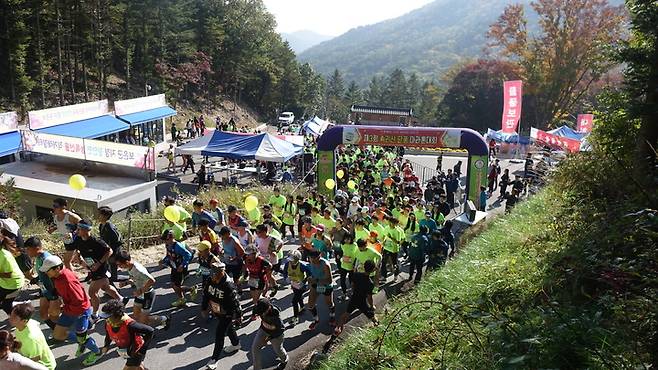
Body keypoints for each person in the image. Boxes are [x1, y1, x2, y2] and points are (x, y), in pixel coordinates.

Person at [40, 255, 103, 366]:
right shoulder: (57, 276)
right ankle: (81, 340)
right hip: (69, 310)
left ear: (57, 268)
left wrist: (61, 309)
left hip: (80, 311)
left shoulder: (67, 281)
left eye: (47, 271)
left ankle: (97, 352)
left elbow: (79, 301)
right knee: (58, 335)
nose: (46, 273)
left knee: (82, 338)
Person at [71, 218, 123, 320]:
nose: (77, 231)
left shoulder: (96, 241)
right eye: (77, 228)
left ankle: (95, 314)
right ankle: (120, 299)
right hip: (91, 266)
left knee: (92, 292)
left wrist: (99, 263)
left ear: (87, 230)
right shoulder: (78, 239)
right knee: (105, 287)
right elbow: (77, 249)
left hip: (100, 268)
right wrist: (77, 256)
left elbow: (109, 251)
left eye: (80, 229)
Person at [115, 251, 170, 329]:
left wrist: (141, 290)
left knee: (142, 320)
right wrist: (126, 283)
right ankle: (163, 319)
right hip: (140, 295)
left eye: (119, 264)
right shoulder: (130, 267)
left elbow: (152, 280)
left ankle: (149, 332)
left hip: (148, 294)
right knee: (137, 316)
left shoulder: (138, 269)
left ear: (127, 262)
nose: (119, 267)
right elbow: (136, 278)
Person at [203, 261, 242, 369]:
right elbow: (206, 294)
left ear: (221, 273)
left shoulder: (228, 285)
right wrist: (204, 308)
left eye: (215, 274)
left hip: (227, 313)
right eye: (212, 273)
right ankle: (236, 344)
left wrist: (238, 316)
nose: (212, 276)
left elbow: (235, 302)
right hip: (217, 311)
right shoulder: (210, 280)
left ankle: (214, 359)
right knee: (228, 328)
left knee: (219, 333)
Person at [99, 299, 154, 370]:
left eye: (109, 316)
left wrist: (142, 351)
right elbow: (108, 334)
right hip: (126, 351)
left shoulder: (130, 325)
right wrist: (106, 345)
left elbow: (150, 331)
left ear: (117, 315)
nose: (106, 318)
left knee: (128, 368)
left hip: (136, 351)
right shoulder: (109, 322)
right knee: (138, 366)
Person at [333, 260, 379, 336]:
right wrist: (371, 306)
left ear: (364, 267)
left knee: (345, 315)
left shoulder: (356, 275)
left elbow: (352, 285)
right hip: (362, 302)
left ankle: (337, 329)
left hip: (354, 299)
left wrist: (353, 292)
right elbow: (369, 297)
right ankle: (377, 326)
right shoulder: (370, 283)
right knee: (372, 316)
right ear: (373, 270)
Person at [24, 237, 60, 330]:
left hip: (53, 292)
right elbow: (42, 272)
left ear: (36, 248)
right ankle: (56, 330)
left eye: (28, 249)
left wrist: (56, 291)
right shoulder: (38, 257)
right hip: (44, 289)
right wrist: (36, 279)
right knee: (43, 314)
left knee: (54, 315)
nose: (27, 252)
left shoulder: (46, 258)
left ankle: (60, 334)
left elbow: (56, 275)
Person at [8, 303, 56, 370]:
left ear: (24, 321)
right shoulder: (27, 323)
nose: (10, 318)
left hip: (43, 366)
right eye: (11, 314)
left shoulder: (31, 339)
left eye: (14, 317)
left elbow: (36, 358)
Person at [160, 229, 195, 307]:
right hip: (174, 267)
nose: (165, 241)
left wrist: (183, 265)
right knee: (173, 285)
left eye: (166, 240)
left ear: (171, 238)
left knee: (176, 286)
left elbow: (188, 255)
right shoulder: (168, 245)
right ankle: (182, 298)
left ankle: (190, 290)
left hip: (180, 268)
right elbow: (168, 255)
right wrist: (163, 261)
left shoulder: (177, 246)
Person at [251, 298, 288, 370]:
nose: (262, 314)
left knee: (278, 350)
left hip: (276, 334)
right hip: (263, 329)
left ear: (269, 307)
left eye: (263, 312)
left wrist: (268, 339)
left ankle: (284, 360)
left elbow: (280, 330)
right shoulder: (259, 307)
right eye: (260, 312)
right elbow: (255, 309)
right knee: (255, 348)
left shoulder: (275, 315)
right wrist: (253, 314)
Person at [47, 197, 80, 270]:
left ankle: (73, 279)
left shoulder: (70, 216)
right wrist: (53, 229)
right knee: (78, 260)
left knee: (66, 261)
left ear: (63, 207)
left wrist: (75, 232)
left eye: (56, 206)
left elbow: (83, 224)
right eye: (53, 206)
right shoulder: (56, 217)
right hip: (66, 240)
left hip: (74, 240)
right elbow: (60, 225)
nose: (54, 208)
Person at [306, 249, 336, 329]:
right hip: (316, 285)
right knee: (310, 305)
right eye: (311, 259)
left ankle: (332, 316)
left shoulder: (325, 265)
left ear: (319, 256)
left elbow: (329, 281)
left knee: (329, 303)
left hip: (325, 287)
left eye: (315, 259)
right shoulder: (311, 261)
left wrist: (316, 280)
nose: (313, 261)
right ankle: (316, 320)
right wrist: (309, 279)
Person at [243, 246, 274, 320]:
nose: (247, 256)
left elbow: (270, 265)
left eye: (249, 254)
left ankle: (254, 314)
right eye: (247, 254)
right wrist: (245, 273)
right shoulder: (245, 258)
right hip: (252, 280)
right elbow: (244, 265)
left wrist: (264, 273)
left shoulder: (261, 260)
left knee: (257, 299)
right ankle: (266, 303)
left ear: (254, 254)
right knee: (254, 300)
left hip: (260, 280)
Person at [281, 250, 311, 326]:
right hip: (294, 285)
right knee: (298, 297)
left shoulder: (302, 265)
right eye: (290, 260)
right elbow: (284, 272)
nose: (290, 262)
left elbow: (310, 273)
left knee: (294, 301)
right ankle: (302, 307)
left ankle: (295, 317)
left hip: (301, 286)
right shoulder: (287, 264)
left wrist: (304, 281)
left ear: (297, 259)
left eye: (292, 260)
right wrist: (286, 278)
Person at [0, 233, 25, 315]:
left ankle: (19, 320)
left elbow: (9, 275)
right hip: (4, 283)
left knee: (6, 305)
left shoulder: (5, 256)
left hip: (14, 284)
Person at [97, 206, 123, 283]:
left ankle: (125, 279)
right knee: (109, 268)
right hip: (107, 250)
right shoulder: (101, 225)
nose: (98, 216)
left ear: (105, 216)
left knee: (113, 269)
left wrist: (113, 253)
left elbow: (117, 240)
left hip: (113, 251)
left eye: (100, 214)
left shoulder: (109, 226)